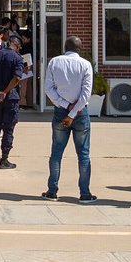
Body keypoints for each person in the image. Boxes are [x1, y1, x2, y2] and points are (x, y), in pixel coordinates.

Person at [40, 35, 95, 202]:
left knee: (56, 153)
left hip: (60, 112)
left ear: (65, 47)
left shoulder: (54, 62)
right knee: (83, 155)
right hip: (80, 113)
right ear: (80, 49)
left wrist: (65, 106)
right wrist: (73, 111)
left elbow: (48, 89)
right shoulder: (85, 64)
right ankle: (85, 194)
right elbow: (86, 95)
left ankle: (52, 191)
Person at [0, 29, 26, 169]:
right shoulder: (18, 58)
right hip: (10, 97)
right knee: (8, 128)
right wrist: (5, 92)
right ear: (18, 46)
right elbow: (17, 77)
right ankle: (4, 159)